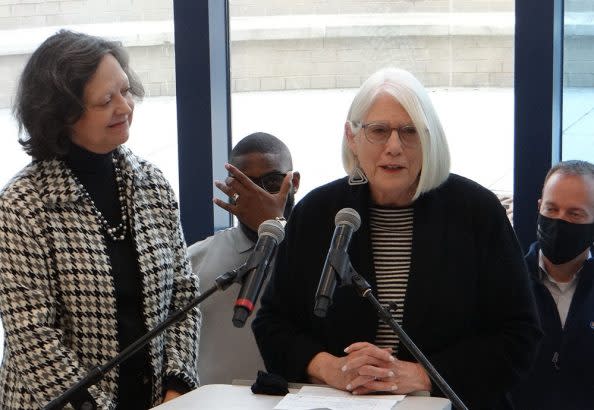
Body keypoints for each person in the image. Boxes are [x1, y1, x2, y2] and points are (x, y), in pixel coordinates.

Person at [252, 67, 541, 409]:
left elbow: (518, 336)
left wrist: (422, 375)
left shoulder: (477, 212)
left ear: (429, 139)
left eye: (410, 131)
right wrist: (332, 368)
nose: (394, 147)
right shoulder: (318, 213)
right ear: (351, 137)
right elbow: (272, 324)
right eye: (378, 130)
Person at [0, 30, 200, 409]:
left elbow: (183, 295)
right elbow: (32, 336)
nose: (125, 107)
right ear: (62, 115)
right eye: (106, 100)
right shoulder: (23, 204)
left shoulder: (151, 183)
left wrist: (177, 387)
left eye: (125, 91)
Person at [188, 132, 300, 384]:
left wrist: (272, 225)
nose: (258, 194)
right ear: (229, 189)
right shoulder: (194, 262)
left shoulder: (319, 255)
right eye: (244, 183)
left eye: (272, 182)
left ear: (294, 183)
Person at [511, 160, 594, 410]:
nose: (560, 221)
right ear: (539, 208)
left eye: (574, 213)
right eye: (551, 209)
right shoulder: (507, 283)